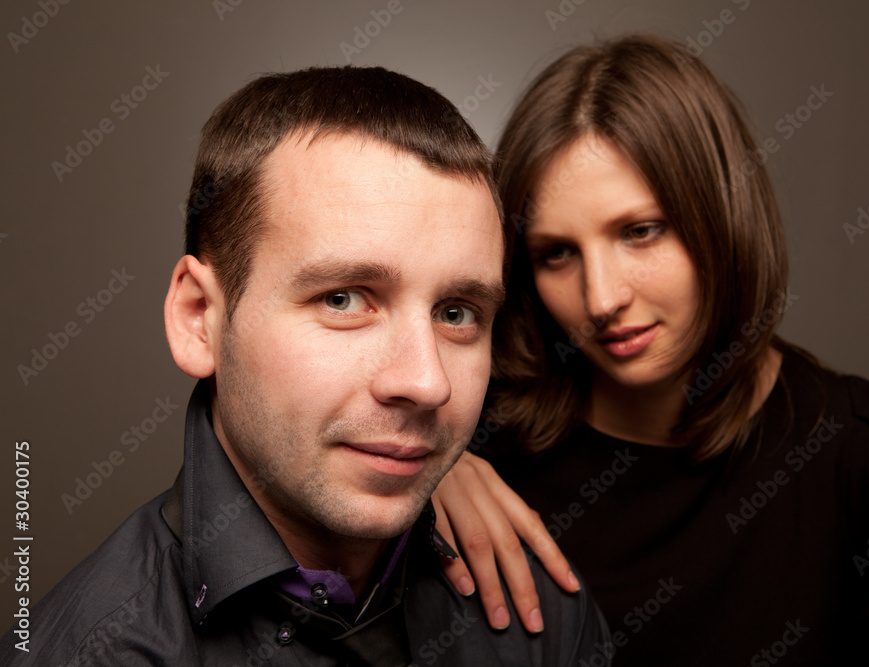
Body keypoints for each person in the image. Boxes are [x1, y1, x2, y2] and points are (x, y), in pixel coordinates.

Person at [0, 66, 609, 666]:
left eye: (456, 312)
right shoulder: (94, 652)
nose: (427, 382)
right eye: (343, 299)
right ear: (198, 318)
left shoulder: (540, 615)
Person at [432, 34, 869, 665]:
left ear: (721, 214)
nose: (601, 298)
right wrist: (425, 472)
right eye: (556, 253)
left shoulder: (858, 448)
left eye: (640, 232)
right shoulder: (474, 443)